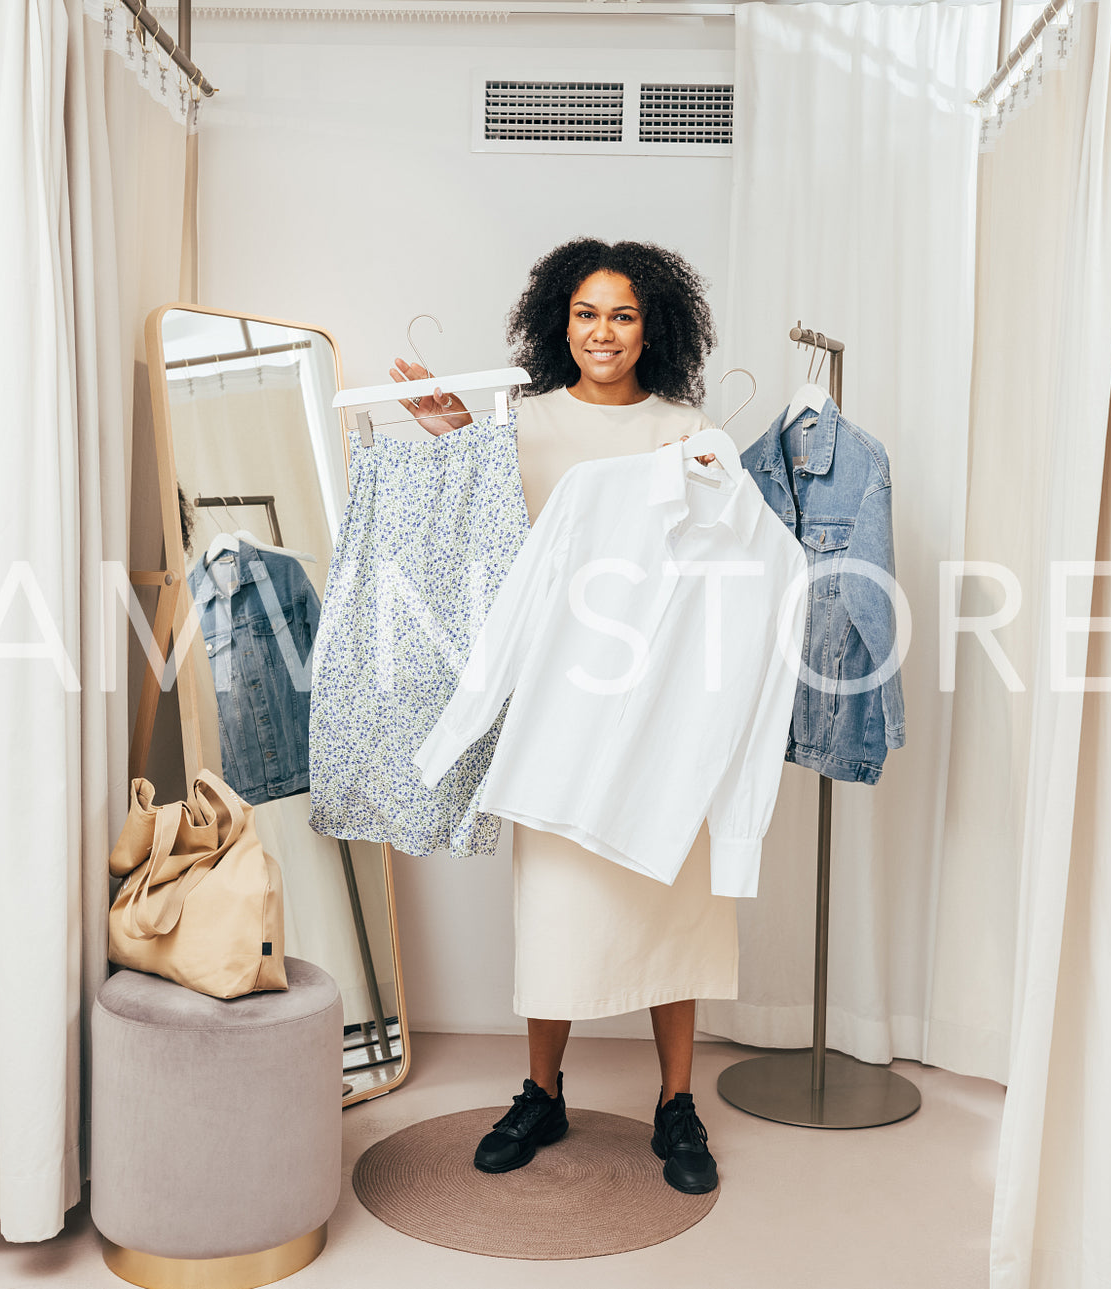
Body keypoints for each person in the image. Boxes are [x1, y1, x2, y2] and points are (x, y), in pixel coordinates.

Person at [392, 238, 728, 1195]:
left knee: (672, 894)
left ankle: (676, 1102)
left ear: (650, 326)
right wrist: (455, 432)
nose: (603, 332)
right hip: (556, 702)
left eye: (622, 315)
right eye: (587, 313)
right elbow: (487, 532)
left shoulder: (682, 426)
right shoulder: (519, 425)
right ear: (560, 322)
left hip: (661, 702)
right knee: (554, 909)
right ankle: (541, 1092)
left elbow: (710, 555)